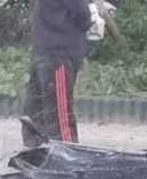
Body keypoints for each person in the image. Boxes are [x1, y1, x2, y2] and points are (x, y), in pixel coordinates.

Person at [22, 0, 94, 147]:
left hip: (42, 50)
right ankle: (68, 151)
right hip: (59, 52)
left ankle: (35, 149)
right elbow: (82, 15)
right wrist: (91, 16)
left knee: (37, 110)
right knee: (60, 115)